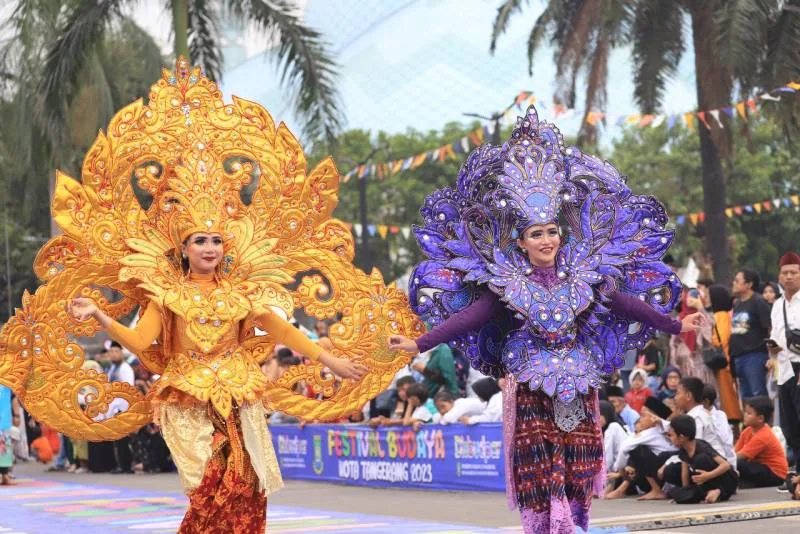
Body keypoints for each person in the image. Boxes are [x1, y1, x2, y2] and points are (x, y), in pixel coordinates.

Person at [0, 59, 433, 534]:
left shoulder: (243, 290)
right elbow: (142, 341)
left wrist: (332, 362)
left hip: (240, 398)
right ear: (182, 248)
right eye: (199, 241)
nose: (209, 247)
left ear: (226, 246)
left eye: (216, 240)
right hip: (187, 398)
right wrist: (101, 315)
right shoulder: (164, 291)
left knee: (248, 491)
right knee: (210, 492)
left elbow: (283, 329)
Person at [387, 106, 702, 534]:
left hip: (580, 379)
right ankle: (545, 527)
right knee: (540, 468)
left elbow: (628, 304)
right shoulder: (505, 284)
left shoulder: (585, 275)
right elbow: (471, 316)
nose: (547, 240)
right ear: (521, 242)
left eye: (552, 231)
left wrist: (674, 325)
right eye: (536, 234)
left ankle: (574, 523)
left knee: (579, 460)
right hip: (532, 383)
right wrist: (420, 344)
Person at [606, 397, 676, 501]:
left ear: (654, 418)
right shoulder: (659, 430)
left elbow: (625, 447)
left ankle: (656, 490)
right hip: (663, 472)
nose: (639, 419)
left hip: (666, 472)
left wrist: (620, 471)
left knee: (637, 450)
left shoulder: (652, 431)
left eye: (643, 415)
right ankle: (621, 489)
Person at [771, 252, 800, 480]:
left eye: (794, 273)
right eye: (785, 273)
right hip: (783, 370)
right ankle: (797, 473)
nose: (789, 277)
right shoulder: (777, 305)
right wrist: (771, 352)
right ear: (779, 276)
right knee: (790, 428)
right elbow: (775, 335)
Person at [666, 415, 738, 504]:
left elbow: (726, 465)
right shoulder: (683, 449)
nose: (669, 438)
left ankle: (718, 491)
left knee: (700, 460)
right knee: (674, 490)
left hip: (725, 480)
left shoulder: (701, 446)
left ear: (682, 437)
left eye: (671, 435)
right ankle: (708, 493)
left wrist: (708, 476)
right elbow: (684, 473)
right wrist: (685, 491)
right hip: (705, 482)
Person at [730, 268, 772, 397]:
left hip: (755, 356)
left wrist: (773, 356)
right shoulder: (737, 304)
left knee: (758, 396)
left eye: (737, 281)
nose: (733, 283)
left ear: (749, 284)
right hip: (739, 357)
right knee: (746, 398)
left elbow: (770, 329)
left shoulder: (759, 302)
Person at [707, 284, 742, 423]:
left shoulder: (720, 315)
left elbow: (720, 337)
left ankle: (733, 421)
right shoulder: (719, 314)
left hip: (723, 361)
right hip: (723, 361)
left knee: (727, 396)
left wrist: (706, 337)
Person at [735, 396, 788, 488]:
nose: (745, 415)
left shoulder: (763, 435)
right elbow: (735, 452)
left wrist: (721, 463)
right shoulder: (747, 431)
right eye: (745, 412)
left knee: (738, 464)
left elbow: (739, 456)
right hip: (760, 468)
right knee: (735, 465)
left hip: (776, 474)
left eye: (749, 413)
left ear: (760, 418)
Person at [599, 400, 627, 488]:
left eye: (600, 415)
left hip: (621, 472)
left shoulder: (613, 427)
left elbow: (608, 456)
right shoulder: (604, 428)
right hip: (615, 471)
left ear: (607, 414)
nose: (597, 419)